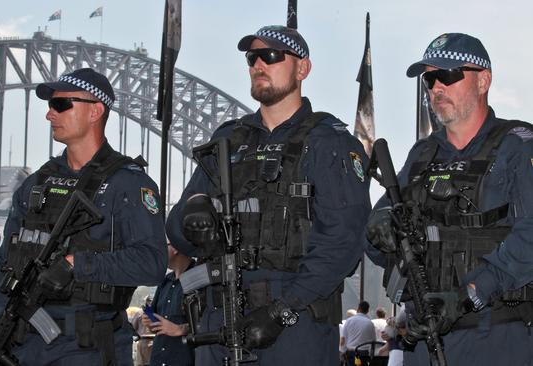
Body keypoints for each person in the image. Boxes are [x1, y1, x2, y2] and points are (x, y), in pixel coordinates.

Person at [166, 25, 371, 365]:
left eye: (271, 56)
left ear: (302, 68)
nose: (259, 64)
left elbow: (343, 242)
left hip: (294, 322)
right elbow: (176, 229)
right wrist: (195, 222)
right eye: (252, 57)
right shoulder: (228, 140)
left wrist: (282, 312)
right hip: (220, 317)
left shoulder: (329, 141)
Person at [366, 33, 533, 365]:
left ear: (483, 80)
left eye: (448, 75)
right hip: (424, 335)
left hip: (496, 334)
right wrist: (379, 224)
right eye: (429, 78)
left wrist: (470, 295)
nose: (435, 88)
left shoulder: (518, 144)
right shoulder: (421, 154)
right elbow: (377, 234)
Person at [0, 68, 167, 366]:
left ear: (95, 111)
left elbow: (152, 263)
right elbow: (5, 260)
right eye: (50, 106)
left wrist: (75, 265)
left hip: (87, 349)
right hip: (23, 346)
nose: (49, 115)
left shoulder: (129, 184)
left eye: (61, 105)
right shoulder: (35, 184)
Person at [143, 242, 195, 366]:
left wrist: (180, 329)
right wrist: (150, 322)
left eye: (164, 245)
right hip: (158, 359)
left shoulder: (199, 278)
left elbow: (209, 323)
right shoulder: (165, 281)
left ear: (176, 248)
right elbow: (158, 323)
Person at [340, 301, 376, 366]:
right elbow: (373, 340)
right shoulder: (370, 323)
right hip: (364, 355)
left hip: (351, 354)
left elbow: (343, 338)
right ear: (367, 311)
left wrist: (342, 351)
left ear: (358, 309)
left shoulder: (349, 321)